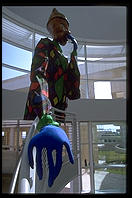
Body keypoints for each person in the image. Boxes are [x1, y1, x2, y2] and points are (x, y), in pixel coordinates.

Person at [23, 8, 80, 122]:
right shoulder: (45, 44)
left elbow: (73, 92)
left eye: (64, 27)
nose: (63, 30)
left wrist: (74, 52)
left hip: (59, 113)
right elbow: (38, 75)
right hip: (42, 113)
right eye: (59, 26)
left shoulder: (64, 59)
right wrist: (43, 110)